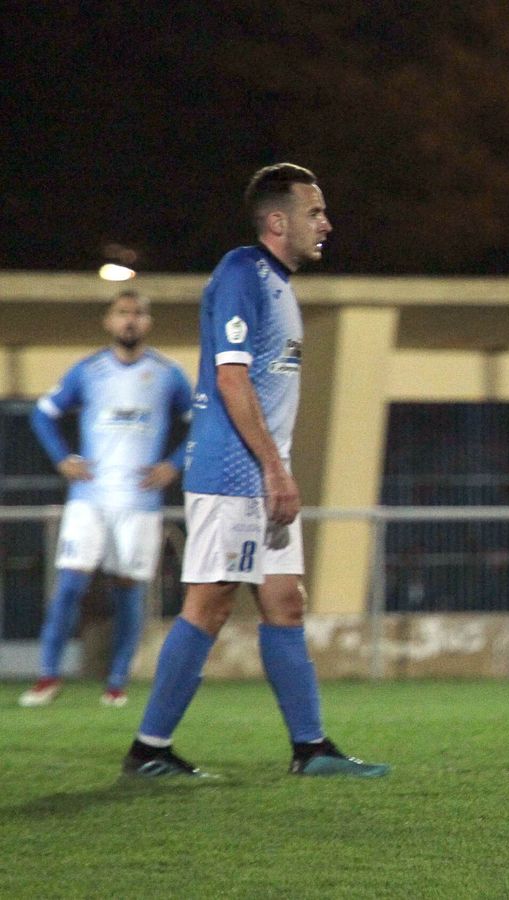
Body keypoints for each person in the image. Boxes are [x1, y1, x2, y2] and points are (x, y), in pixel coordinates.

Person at [122, 163, 388, 778]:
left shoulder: (278, 283)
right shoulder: (243, 272)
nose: (325, 222)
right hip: (234, 473)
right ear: (277, 221)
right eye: (313, 211)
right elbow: (231, 377)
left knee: (285, 602)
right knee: (210, 605)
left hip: (261, 472)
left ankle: (311, 748)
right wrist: (273, 468)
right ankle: (149, 750)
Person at [19, 290, 191, 709]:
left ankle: (116, 683)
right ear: (108, 321)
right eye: (122, 313)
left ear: (147, 322)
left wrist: (174, 464)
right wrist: (63, 459)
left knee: (128, 591)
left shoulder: (167, 374)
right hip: (89, 498)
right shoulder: (89, 370)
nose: (130, 320)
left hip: (139, 503)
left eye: (137, 313)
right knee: (69, 586)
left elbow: (202, 423)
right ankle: (47, 676)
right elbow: (42, 413)